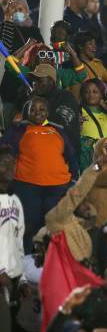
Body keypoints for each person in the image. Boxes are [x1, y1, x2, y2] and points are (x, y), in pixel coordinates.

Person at [0, 96, 77, 253]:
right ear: (26, 111)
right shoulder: (18, 130)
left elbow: (71, 157)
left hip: (58, 187)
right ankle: (25, 261)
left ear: (48, 112)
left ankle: (51, 263)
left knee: (54, 227)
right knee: (28, 226)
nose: (37, 112)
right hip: (27, 186)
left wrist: (74, 180)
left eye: (42, 109)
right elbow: (5, 150)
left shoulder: (58, 130)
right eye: (33, 109)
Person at [0, 146, 24, 332]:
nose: (9, 167)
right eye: (3, 163)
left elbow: (17, 243)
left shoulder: (15, 201)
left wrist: (22, 278)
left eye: (12, 163)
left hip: (10, 283)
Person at [71, 31, 107, 102]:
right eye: (90, 44)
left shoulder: (97, 64)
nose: (95, 47)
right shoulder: (72, 66)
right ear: (80, 46)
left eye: (95, 44)